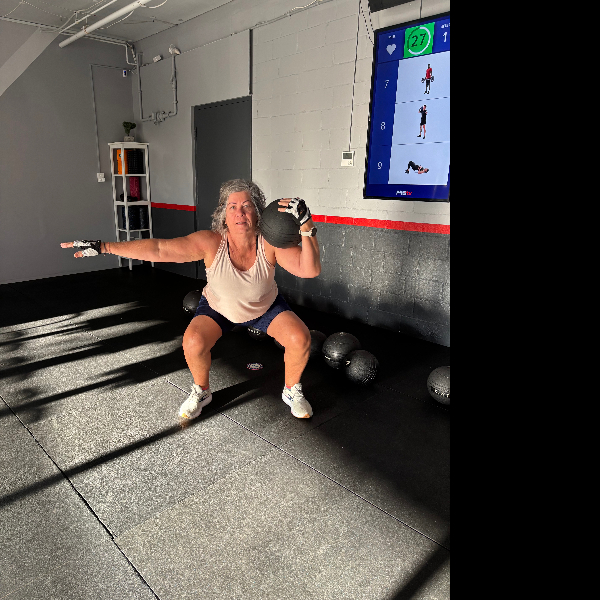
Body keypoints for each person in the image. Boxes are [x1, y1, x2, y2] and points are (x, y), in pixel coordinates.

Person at [60, 179, 321, 421]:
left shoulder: (270, 244)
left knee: (300, 338)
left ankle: (291, 390)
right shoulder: (211, 242)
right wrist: (104, 247)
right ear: (223, 215)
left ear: (258, 212)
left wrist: (306, 225)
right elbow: (160, 249)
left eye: (246, 206)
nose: (239, 213)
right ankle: (201, 391)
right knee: (193, 342)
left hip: (265, 307)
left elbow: (309, 270)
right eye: (232, 207)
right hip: (218, 308)